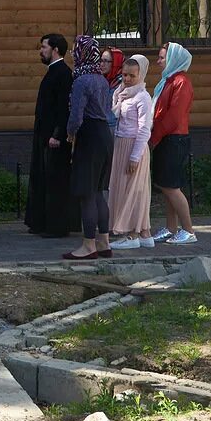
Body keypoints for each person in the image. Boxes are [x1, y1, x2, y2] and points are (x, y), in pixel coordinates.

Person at [63, 36, 115, 261]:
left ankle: (88, 245)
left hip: (90, 136)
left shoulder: (81, 81)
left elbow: (76, 115)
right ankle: (104, 242)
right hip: (105, 135)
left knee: (86, 193)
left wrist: (70, 133)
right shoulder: (101, 79)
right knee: (98, 192)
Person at [24, 33, 77, 239]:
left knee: (55, 181)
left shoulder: (63, 73)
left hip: (54, 138)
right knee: (42, 178)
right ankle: (40, 222)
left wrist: (57, 134)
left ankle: (56, 226)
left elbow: (64, 108)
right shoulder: (53, 72)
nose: (41, 50)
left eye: (44, 47)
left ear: (55, 49)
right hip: (44, 135)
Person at [150, 42, 196, 245]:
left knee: (171, 186)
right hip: (165, 138)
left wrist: (154, 136)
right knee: (165, 184)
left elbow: (173, 117)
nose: (158, 62)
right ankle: (171, 227)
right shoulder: (168, 81)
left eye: (162, 58)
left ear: (173, 59)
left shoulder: (181, 82)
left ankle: (188, 230)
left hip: (173, 138)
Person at [108, 55, 154, 250]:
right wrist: (118, 97)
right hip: (121, 144)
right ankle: (145, 233)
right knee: (124, 188)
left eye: (131, 76)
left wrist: (135, 156)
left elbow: (144, 129)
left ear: (140, 75)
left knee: (133, 190)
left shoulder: (142, 97)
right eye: (124, 75)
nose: (127, 79)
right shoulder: (123, 93)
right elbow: (115, 114)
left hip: (134, 146)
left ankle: (132, 234)